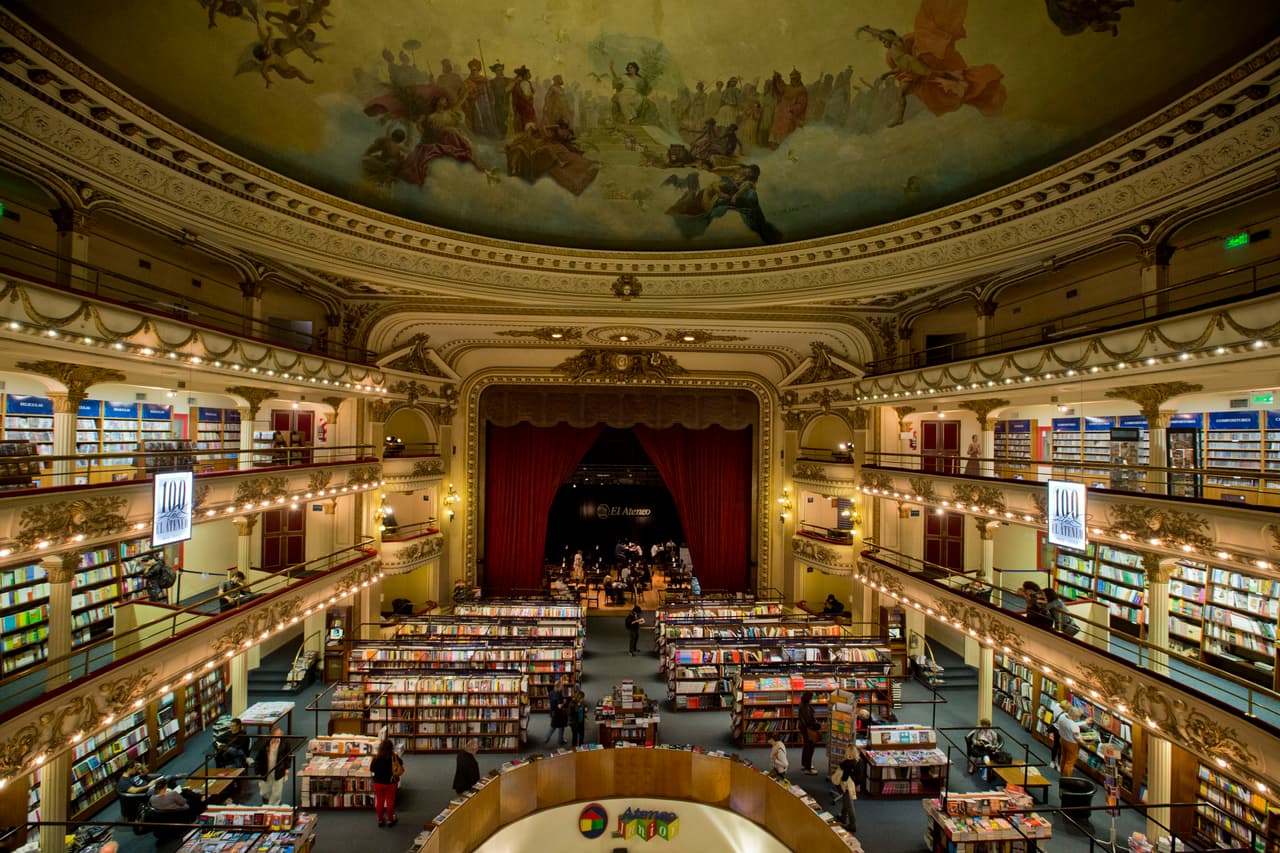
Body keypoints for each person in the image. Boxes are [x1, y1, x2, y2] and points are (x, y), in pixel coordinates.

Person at [253, 728, 289, 805]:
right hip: (266, 771)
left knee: (277, 792)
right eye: (276, 735)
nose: (278, 737)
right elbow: (258, 759)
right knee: (265, 791)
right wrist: (257, 772)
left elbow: (288, 758)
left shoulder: (284, 744)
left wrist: (286, 769)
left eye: (279, 735)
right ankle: (267, 805)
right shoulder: (265, 744)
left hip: (278, 771)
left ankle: (273, 808)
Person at [370, 737, 400, 826]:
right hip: (390, 783)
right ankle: (390, 820)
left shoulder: (376, 758)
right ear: (391, 748)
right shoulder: (393, 757)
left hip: (378, 783)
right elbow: (400, 765)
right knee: (390, 801)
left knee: (379, 801)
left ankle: (380, 820)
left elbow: (372, 769)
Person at [1056, 707, 1090, 778]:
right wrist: (1087, 744)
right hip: (1072, 744)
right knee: (1070, 763)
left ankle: (1062, 775)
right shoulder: (1073, 726)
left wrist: (1085, 722)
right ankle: (1067, 779)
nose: (1077, 718)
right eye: (1076, 717)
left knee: (1063, 757)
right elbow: (1078, 739)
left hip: (1062, 739)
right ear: (1072, 715)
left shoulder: (1062, 716)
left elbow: (1073, 724)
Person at [831, 755, 859, 832]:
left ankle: (853, 825)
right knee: (846, 801)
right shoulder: (856, 761)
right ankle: (843, 817)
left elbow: (844, 778)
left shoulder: (847, 764)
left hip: (847, 786)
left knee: (849, 805)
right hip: (852, 784)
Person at [798, 691, 821, 774]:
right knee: (810, 748)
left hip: (804, 729)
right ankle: (808, 768)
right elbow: (808, 720)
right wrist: (817, 725)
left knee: (806, 746)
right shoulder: (806, 707)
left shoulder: (802, 704)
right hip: (808, 730)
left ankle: (805, 764)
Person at [545, 677, 568, 745]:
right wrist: (564, 702)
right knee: (560, 727)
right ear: (559, 687)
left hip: (552, 711)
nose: (563, 687)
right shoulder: (558, 694)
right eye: (562, 686)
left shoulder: (551, 692)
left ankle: (547, 738)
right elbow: (559, 706)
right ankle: (560, 741)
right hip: (558, 713)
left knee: (553, 726)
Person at [1047, 699, 1067, 771]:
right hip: (1060, 730)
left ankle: (1052, 761)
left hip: (1055, 728)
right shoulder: (1064, 715)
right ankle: (1058, 764)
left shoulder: (1056, 705)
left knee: (1055, 745)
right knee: (1060, 748)